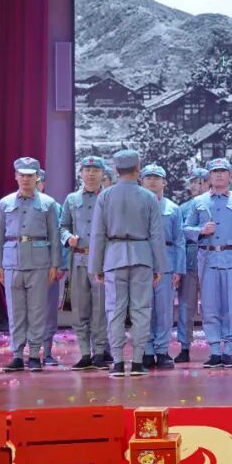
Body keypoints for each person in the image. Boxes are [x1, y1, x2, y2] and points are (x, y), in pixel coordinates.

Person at [89, 149, 168, 378]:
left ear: (115, 170)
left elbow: (98, 234)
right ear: (137, 169)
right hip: (142, 256)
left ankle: (117, 362)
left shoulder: (105, 196)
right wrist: (159, 266)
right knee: (141, 310)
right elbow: (156, 235)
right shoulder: (148, 197)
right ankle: (137, 362)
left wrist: (96, 266)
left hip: (113, 258)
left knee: (114, 310)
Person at [0, 157, 61, 372]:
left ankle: (35, 354)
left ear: (37, 177)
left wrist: (54, 265)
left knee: (37, 310)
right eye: (22, 175)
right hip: (12, 260)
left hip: (39, 262)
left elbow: (54, 236)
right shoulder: (5, 203)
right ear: (15, 176)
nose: (26, 179)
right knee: (16, 311)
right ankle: (18, 355)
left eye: (30, 175)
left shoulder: (47, 203)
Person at [184, 158, 232, 369]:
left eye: (223, 171)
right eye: (214, 171)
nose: (218, 175)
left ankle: (228, 350)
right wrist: (200, 231)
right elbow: (185, 229)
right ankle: (215, 350)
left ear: (230, 175)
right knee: (209, 305)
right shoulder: (199, 202)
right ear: (209, 176)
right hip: (207, 257)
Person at [60, 156, 112, 370]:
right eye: (87, 170)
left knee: (100, 309)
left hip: (103, 261)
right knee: (80, 308)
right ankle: (84, 352)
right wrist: (67, 238)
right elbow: (62, 226)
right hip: (79, 259)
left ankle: (100, 352)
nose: (91, 174)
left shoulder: (109, 197)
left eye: (95, 170)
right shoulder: (72, 199)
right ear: (80, 173)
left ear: (103, 174)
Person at [140, 164, 185, 370]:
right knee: (143, 309)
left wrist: (179, 269)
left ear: (164, 182)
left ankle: (162, 350)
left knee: (164, 310)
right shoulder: (135, 206)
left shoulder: (173, 208)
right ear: (141, 181)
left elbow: (179, 240)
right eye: (148, 177)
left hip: (166, 262)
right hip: (142, 262)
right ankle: (147, 350)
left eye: (156, 178)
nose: (152, 181)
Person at [175, 167, 210, 363]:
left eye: (201, 181)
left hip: (211, 261)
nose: (197, 185)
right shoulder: (181, 209)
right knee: (186, 307)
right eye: (194, 182)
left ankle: (218, 345)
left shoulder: (214, 205)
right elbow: (179, 239)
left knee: (213, 307)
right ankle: (184, 346)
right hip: (189, 262)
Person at [36, 169, 69, 366]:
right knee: (26, 312)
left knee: (48, 312)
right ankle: (25, 353)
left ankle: (47, 351)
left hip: (49, 266)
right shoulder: (13, 203)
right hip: (26, 265)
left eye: (38, 181)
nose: (35, 184)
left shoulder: (54, 207)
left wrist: (60, 265)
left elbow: (61, 238)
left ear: (43, 184)